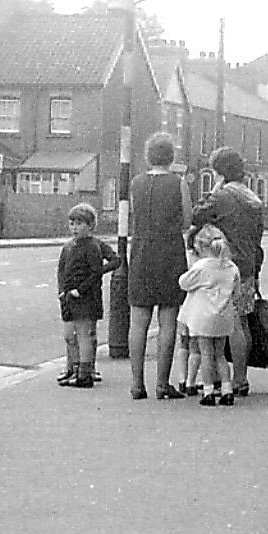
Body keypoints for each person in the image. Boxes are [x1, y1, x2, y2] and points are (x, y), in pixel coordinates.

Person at [190, 145, 266, 397]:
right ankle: (240, 379)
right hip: (247, 265)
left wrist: (215, 188)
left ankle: (221, 380)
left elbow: (197, 214)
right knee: (241, 322)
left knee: (226, 324)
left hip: (224, 266)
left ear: (219, 172)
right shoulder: (251, 197)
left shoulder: (223, 197)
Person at [126, 131, 194, 399]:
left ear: (147, 156)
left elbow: (136, 213)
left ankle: (136, 384)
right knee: (168, 321)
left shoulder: (136, 183)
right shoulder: (178, 183)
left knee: (138, 322)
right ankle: (162, 384)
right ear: (171, 156)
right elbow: (187, 221)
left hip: (141, 252)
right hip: (169, 253)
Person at [56, 201, 120, 389]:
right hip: (68, 297)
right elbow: (61, 270)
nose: (74, 228)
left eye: (79, 224)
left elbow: (98, 271)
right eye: (72, 223)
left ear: (90, 225)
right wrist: (61, 290)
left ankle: (85, 373)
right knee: (69, 335)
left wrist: (81, 289)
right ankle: (74, 368)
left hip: (85, 297)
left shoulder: (93, 246)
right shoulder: (68, 247)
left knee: (85, 334)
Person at [178, 224, 240, 405]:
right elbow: (236, 292)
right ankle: (227, 390)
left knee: (206, 355)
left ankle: (208, 391)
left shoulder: (202, 266)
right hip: (224, 317)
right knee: (220, 355)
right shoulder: (231, 267)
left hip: (203, 319)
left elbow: (184, 283)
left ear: (201, 247)